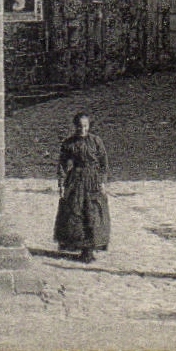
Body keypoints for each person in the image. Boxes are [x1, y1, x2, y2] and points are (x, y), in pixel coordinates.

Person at [53, 111, 110, 262]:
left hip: (93, 180)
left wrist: (103, 182)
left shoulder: (96, 141)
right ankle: (80, 247)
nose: (82, 129)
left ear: (89, 126)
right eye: (79, 126)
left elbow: (104, 163)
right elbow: (62, 164)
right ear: (75, 126)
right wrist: (62, 184)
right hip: (76, 180)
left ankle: (90, 249)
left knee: (93, 213)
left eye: (85, 126)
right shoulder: (69, 143)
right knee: (75, 212)